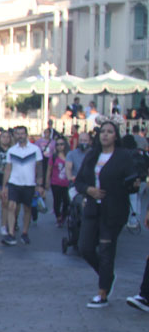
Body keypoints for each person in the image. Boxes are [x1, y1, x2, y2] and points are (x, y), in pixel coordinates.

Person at [74, 120, 137, 308]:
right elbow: (79, 182)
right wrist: (89, 190)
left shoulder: (123, 156)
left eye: (110, 132)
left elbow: (132, 181)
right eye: (103, 132)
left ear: (115, 136)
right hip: (93, 208)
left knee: (106, 250)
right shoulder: (92, 156)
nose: (105, 135)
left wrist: (133, 184)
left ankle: (102, 293)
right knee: (85, 248)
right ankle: (107, 275)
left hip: (114, 210)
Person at [1, 126, 44, 246]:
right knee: (11, 206)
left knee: (27, 208)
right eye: (18, 134)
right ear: (14, 136)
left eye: (22, 133)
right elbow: (8, 169)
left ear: (26, 134)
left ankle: (25, 233)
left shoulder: (35, 150)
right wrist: (5, 186)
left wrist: (40, 184)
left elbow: (39, 167)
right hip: (14, 183)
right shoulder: (12, 151)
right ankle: (11, 233)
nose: (20, 136)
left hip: (29, 183)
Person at [47, 137, 71, 227]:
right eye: (57, 144)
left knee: (66, 201)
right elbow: (49, 169)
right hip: (55, 183)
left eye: (62, 144)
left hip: (67, 183)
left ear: (65, 145)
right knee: (57, 201)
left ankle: (63, 216)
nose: (59, 146)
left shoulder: (70, 156)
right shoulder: (53, 157)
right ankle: (58, 217)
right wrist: (46, 182)